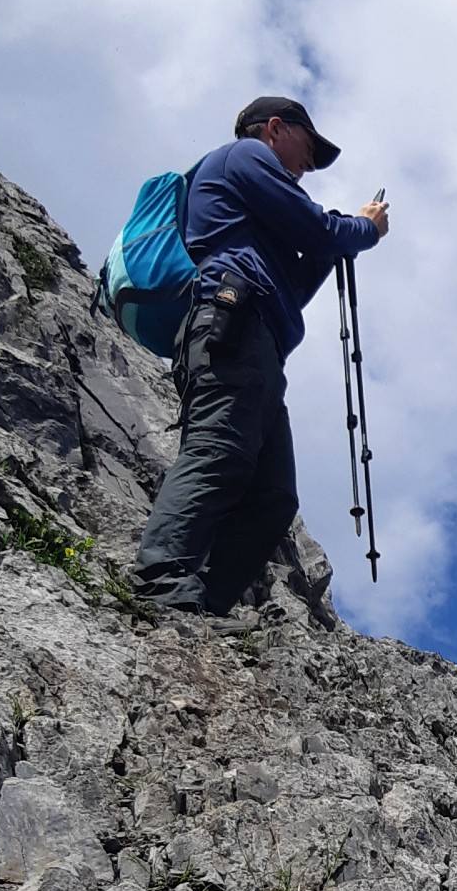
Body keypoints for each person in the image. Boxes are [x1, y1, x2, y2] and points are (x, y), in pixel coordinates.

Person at [135, 96, 389, 616]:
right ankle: (161, 578)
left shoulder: (255, 209)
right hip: (231, 323)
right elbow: (318, 230)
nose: (307, 166)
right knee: (219, 449)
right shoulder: (245, 157)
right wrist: (363, 229)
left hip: (257, 339)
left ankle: (202, 603)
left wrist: (336, 240)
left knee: (274, 498)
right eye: (307, 151)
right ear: (275, 129)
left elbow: (291, 284)